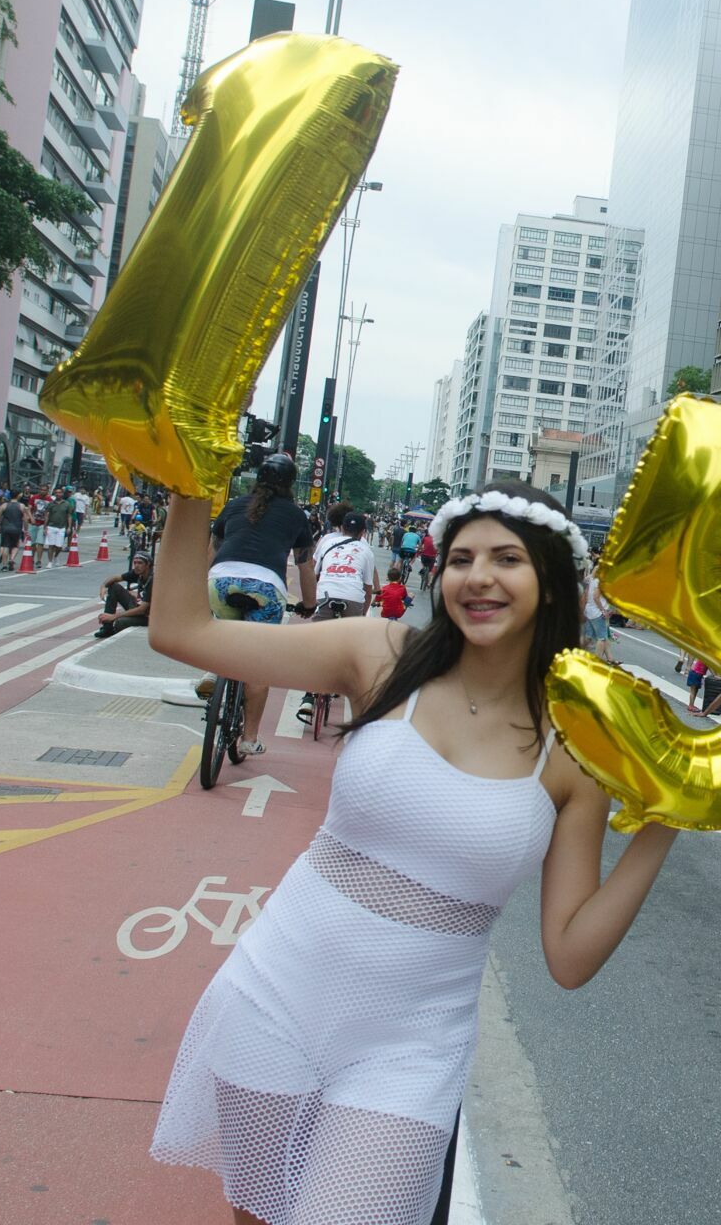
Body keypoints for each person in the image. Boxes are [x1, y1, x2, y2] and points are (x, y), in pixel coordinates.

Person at [148, 481, 677, 1223]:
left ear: (554, 580)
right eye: (461, 559)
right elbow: (180, 630)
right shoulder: (380, 653)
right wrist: (189, 483)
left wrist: (670, 818)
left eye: (507, 559)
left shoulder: (574, 746)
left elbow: (568, 955)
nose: (478, 577)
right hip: (273, 997)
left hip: (409, 1053)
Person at [207, 454, 317, 756]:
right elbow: (305, 565)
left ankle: (211, 672)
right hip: (265, 588)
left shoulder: (233, 505)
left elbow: (212, 551)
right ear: (291, 483)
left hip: (220, 580)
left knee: (218, 633)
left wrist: (204, 586)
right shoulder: (296, 515)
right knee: (258, 666)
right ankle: (249, 738)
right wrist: (309, 604)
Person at [94, 551, 153, 636]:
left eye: (140, 563)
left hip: (148, 616)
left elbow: (142, 610)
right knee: (114, 586)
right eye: (135, 563)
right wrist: (104, 586)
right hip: (138, 606)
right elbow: (116, 578)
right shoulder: (138, 573)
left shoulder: (153, 580)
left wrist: (114, 616)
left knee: (120, 622)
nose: (136, 566)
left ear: (148, 564)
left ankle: (114, 630)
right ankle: (107, 628)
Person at [582, 558, 615, 663]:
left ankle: (580, 654)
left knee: (588, 636)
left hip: (589, 610)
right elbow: (596, 597)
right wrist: (603, 610)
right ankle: (596, 660)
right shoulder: (601, 581)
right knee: (602, 638)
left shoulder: (592, 579)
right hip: (597, 612)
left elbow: (586, 591)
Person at [0, 491, 27, 570]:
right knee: (15, 545)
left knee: (5, 546)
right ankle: (11, 559)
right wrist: (26, 529)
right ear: (18, 496)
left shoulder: (4, 505)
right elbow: (25, 519)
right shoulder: (21, 506)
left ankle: (4, 565)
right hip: (17, 528)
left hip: (5, 528)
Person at [43, 489, 71, 566]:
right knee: (51, 545)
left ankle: (56, 556)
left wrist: (69, 527)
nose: (58, 494)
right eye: (56, 493)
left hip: (61, 527)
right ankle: (50, 562)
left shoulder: (66, 504)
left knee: (59, 546)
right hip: (51, 526)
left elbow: (69, 516)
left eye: (59, 492)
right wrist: (45, 527)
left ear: (62, 494)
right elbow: (47, 515)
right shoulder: (51, 503)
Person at [28, 484, 52, 571]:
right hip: (33, 523)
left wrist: (46, 525)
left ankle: (39, 560)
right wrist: (31, 518)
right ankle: (31, 558)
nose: (42, 491)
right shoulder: (34, 497)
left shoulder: (49, 500)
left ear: (47, 491)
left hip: (43, 524)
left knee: (40, 543)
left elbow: (50, 513)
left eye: (44, 490)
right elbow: (29, 509)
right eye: (41, 490)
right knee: (32, 543)